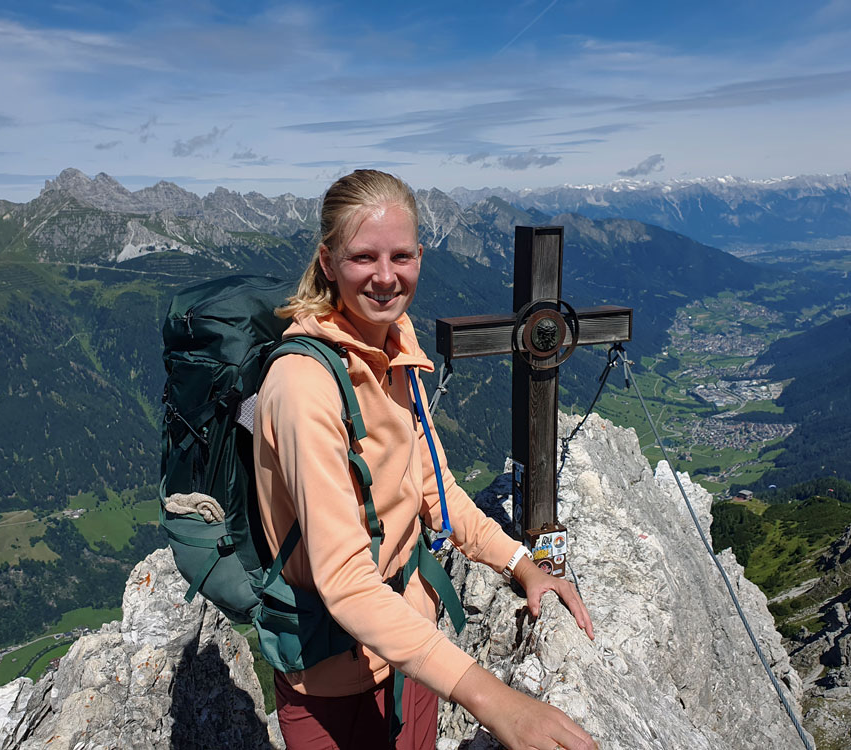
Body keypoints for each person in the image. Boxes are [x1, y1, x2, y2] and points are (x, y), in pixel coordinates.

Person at [254, 169, 596, 750]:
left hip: (412, 652)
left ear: (419, 256)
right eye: (364, 257)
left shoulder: (392, 348)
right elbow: (344, 581)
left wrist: (520, 564)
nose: (386, 278)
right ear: (328, 261)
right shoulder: (303, 384)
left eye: (401, 256)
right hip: (332, 682)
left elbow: (435, 490)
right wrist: (494, 701)